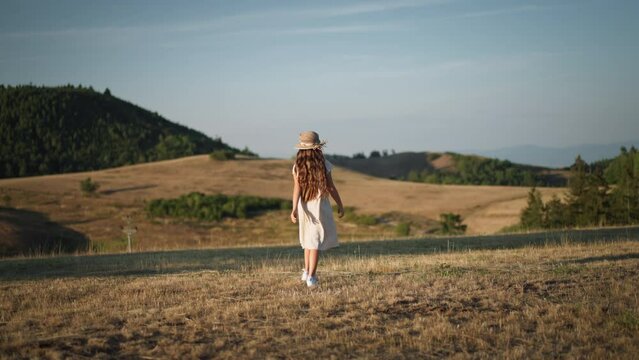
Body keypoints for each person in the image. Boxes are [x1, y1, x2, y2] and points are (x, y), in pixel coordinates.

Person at [290, 131, 344, 287]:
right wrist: (340, 204)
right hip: (319, 205)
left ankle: (307, 272)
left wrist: (294, 208)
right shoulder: (323, 164)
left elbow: (296, 189)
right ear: (317, 148)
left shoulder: (297, 166)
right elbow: (331, 187)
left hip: (304, 205)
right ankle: (312, 277)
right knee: (315, 243)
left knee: (308, 242)